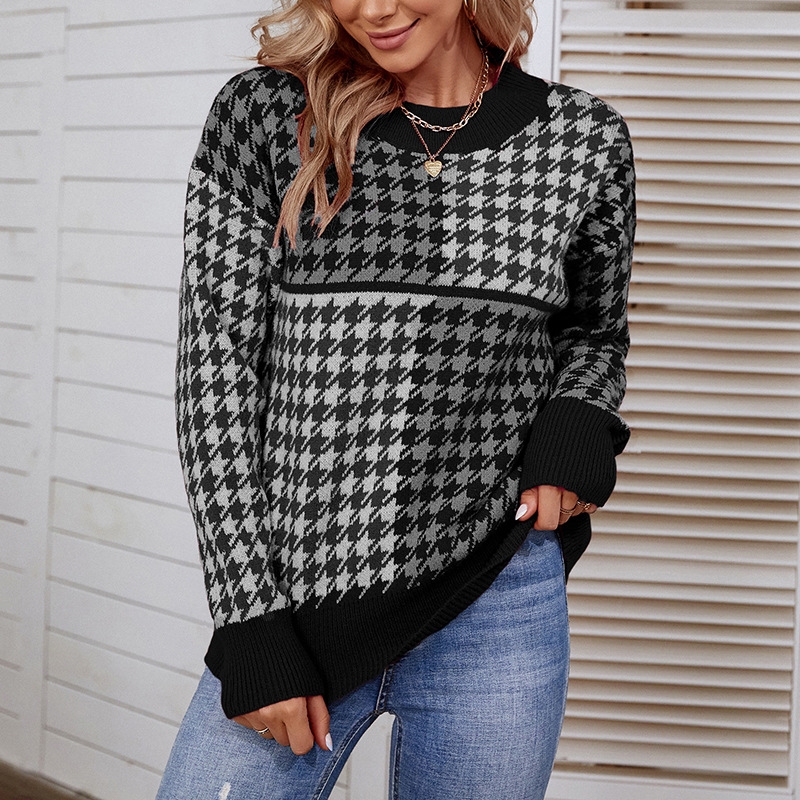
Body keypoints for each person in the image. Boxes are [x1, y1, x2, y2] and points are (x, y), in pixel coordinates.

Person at [156, 0, 635, 794]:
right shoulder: (265, 116)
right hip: (296, 600)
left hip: (497, 596)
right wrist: (248, 619)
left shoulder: (585, 138)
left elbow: (594, 332)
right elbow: (216, 371)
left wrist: (577, 420)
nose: (372, 9)